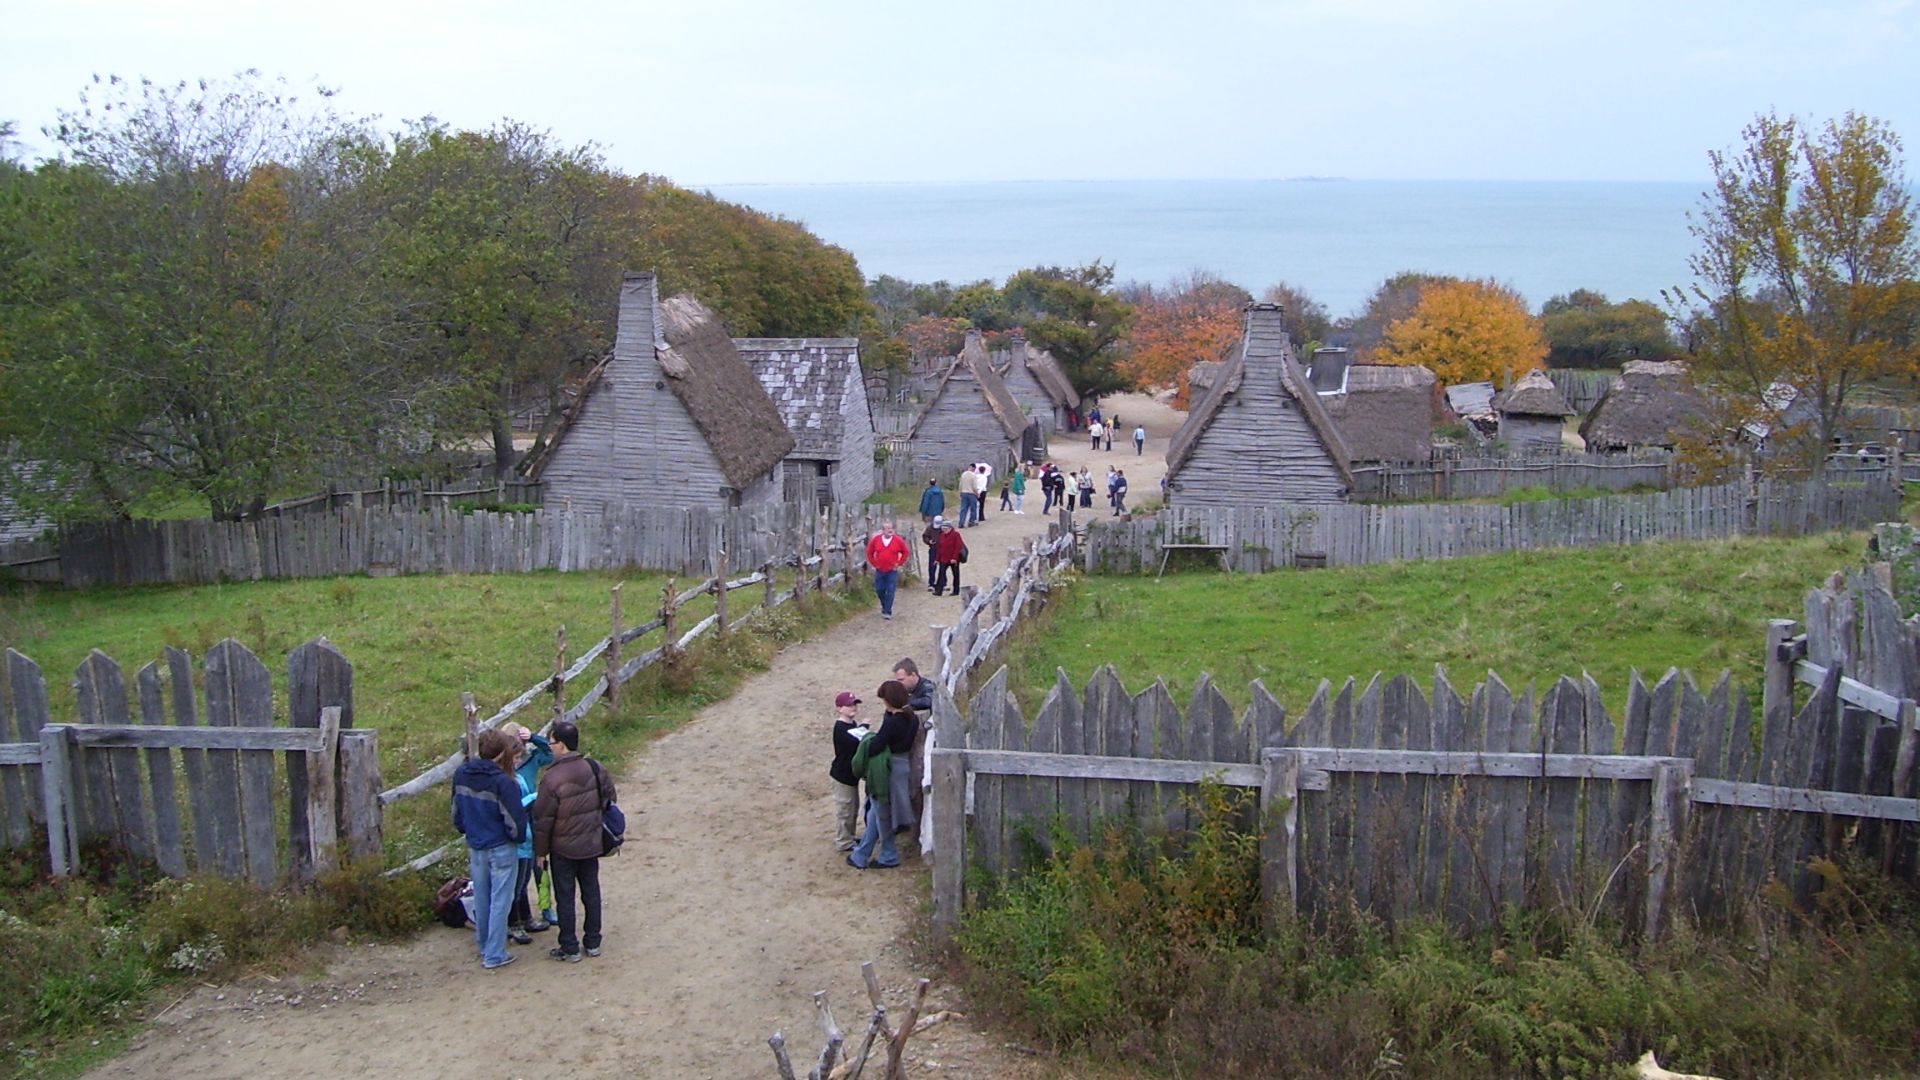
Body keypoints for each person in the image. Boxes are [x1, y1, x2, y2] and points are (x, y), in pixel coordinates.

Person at [533, 720, 611, 963]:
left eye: (552, 742)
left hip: (563, 849)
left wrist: (541, 852)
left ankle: (569, 946)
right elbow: (609, 799)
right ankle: (593, 941)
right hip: (591, 843)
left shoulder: (551, 779)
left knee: (565, 897)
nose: (550, 747)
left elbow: (543, 820)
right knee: (591, 892)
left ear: (562, 745)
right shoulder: (595, 767)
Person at [453, 728, 527, 970]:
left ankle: (484, 944)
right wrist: (516, 838)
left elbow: (456, 812)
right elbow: (514, 822)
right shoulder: (504, 782)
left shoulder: (462, 774)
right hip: (500, 846)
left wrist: (467, 829)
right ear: (501, 754)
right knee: (501, 900)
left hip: (476, 844)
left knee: (482, 897)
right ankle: (495, 953)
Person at [848, 680, 915, 869]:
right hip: (902, 765)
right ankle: (862, 854)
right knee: (878, 813)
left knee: (881, 813)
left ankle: (888, 855)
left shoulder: (893, 722)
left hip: (888, 768)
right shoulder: (911, 718)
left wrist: (867, 738)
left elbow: (876, 746)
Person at [506, 723, 554, 939]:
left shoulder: (530, 758)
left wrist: (535, 737)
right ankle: (521, 918)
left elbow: (551, 754)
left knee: (540, 866)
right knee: (521, 874)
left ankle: (546, 908)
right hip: (518, 822)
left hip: (533, 817)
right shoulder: (504, 770)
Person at [828, 691, 869, 852]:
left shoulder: (851, 725)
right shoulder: (840, 728)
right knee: (845, 809)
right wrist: (864, 727)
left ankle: (849, 837)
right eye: (849, 705)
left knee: (852, 808)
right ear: (839, 708)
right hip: (842, 777)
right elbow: (852, 743)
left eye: (854, 704)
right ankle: (843, 840)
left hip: (850, 776)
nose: (853, 707)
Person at [864, 519, 910, 621]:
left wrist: (899, 563)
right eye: (887, 528)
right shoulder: (876, 540)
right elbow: (869, 552)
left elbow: (905, 552)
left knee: (890, 590)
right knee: (879, 589)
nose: (889, 530)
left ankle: (887, 611)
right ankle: (884, 605)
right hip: (880, 569)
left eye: (891, 528)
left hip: (892, 570)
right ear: (883, 530)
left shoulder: (898, 540)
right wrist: (874, 563)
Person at [931, 518, 967, 596]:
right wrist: (937, 559)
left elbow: (958, 547)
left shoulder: (956, 535)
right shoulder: (942, 535)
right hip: (943, 559)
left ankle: (956, 590)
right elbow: (939, 548)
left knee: (956, 575)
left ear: (950, 528)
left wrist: (954, 558)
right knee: (941, 574)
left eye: (946, 528)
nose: (944, 530)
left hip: (953, 559)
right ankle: (939, 591)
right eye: (943, 528)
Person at [920, 515, 944, 588]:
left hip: (943, 550)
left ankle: (942, 583)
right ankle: (931, 583)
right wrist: (929, 541)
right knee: (932, 567)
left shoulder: (944, 528)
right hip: (933, 549)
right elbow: (925, 536)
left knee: (943, 567)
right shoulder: (930, 528)